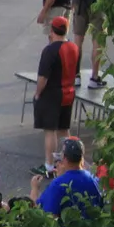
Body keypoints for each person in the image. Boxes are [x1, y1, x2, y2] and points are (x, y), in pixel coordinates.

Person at [33, 16, 79, 162]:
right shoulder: (74, 48)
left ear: (52, 30)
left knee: (50, 130)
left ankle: (49, 164)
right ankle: (69, 160)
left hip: (52, 93)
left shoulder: (50, 50)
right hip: (68, 92)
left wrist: (38, 93)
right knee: (64, 129)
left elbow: (43, 78)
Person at [33, 136, 104, 217]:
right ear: (82, 158)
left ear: (65, 158)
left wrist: (35, 188)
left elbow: (42, 214)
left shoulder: (58, 185)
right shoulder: (94, 179)